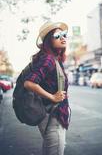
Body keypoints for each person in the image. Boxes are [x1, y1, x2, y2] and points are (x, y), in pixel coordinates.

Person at [23, 21, 71, 155]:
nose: (62, 37)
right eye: (57, 35)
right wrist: (52, 97)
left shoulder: (54, 59)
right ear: (48, 41)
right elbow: (29, 83)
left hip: (52, 116)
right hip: (52, 118)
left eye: (64, 34)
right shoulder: (48, 59)